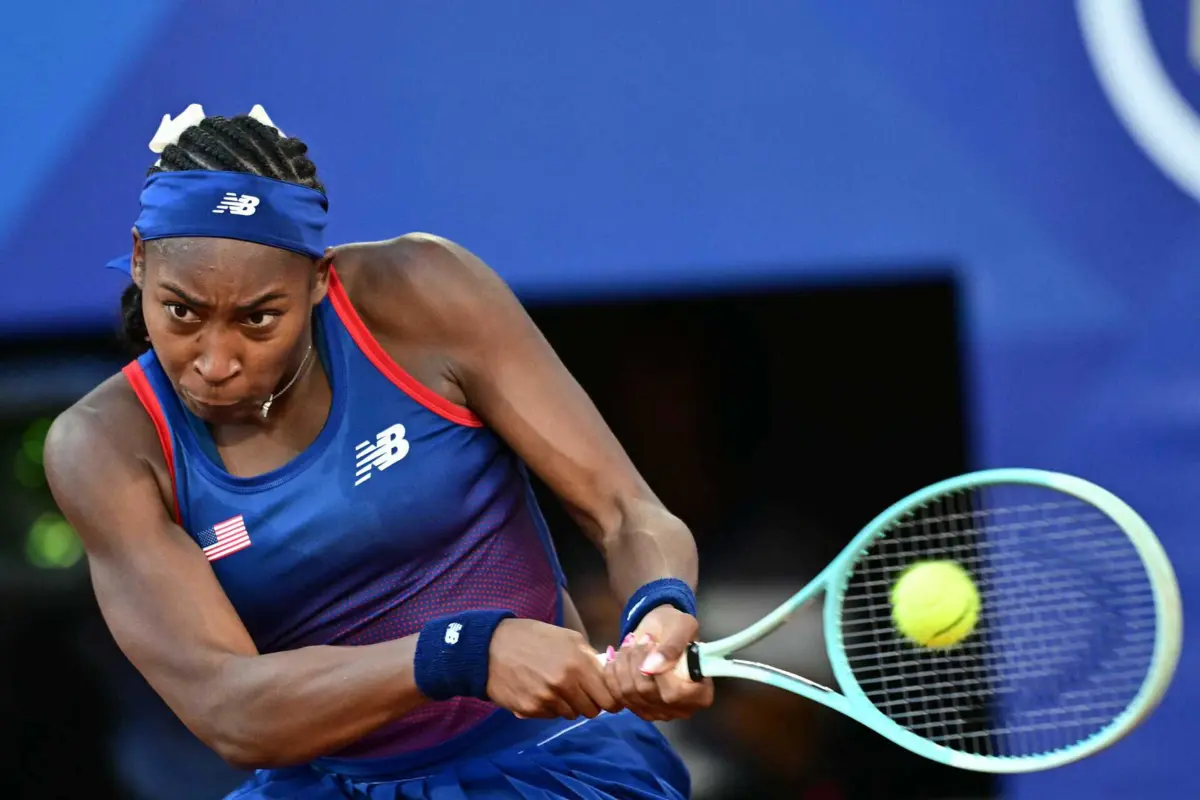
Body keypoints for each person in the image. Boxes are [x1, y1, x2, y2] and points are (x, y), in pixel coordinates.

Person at [43, 104, 712, 799]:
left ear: (319, 281)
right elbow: (230, 709)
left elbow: (628, 513)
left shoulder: (422, 293)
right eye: (182, 311)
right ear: (142, 260)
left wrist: (656, 612)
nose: (215, 361)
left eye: (258, 319)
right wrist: (462, 654)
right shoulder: (104, 447)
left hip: (550, 762)